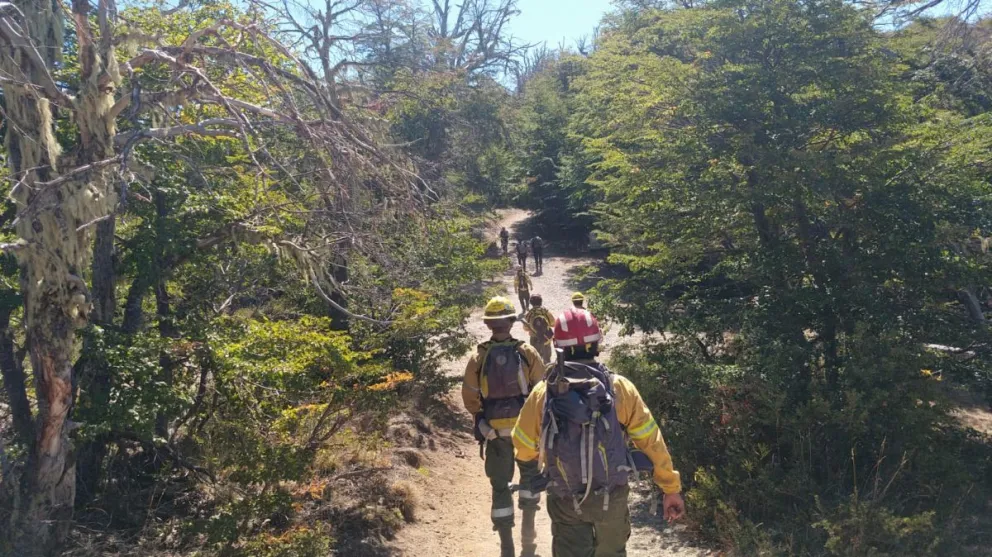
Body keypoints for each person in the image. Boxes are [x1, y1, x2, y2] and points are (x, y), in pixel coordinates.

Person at [512, 308, 686, 557]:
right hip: (611, 496)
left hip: (564, 497)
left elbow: (522, 443)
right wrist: (670, 487)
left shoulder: (544, 392)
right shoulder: (618, 388)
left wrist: (534, 469)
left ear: (557, 344)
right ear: (597, 343)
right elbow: (650, 440)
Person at [462, 297, 548, 557]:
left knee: (500, 486)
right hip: (526, 432)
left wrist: (481, 421)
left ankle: (507, 548)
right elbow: (541, 390)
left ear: (488, 324)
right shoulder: (527, 352)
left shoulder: (479, 356)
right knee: (530, 480)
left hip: (495, 433)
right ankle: (529, 543)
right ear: (512, 322)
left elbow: (470, 396)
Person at [522, 294, 555, 364]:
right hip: (546, 338)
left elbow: (525, 328)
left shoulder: (529, 313)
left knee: (536, 359)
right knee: (547, 359)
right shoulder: (545, 311)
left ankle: (539, 374)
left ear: (531, 303)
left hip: (534, 337)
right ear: (541, 302)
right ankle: (548, 372)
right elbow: (553, 323)